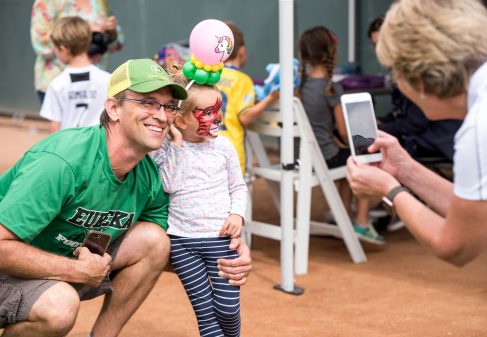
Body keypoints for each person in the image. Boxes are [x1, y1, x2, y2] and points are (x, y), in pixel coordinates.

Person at [0, 58, 251, 337]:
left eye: (167, 106)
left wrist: (226, 254)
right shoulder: (62, 162)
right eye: (147, 102)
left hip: (65, 266)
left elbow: (168, 251)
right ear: (114, 108)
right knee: (59, 307)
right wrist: (75, 271)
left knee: (155, 241)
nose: (160, 115)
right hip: (9, 271)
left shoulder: (148, 175)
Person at [346, 0, 487, 266]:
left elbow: (456, 247)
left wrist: (391, 190)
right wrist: (406, 169)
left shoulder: (482, 126)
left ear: (419, 81)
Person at [152, 63, 247, 337]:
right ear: (180, 120)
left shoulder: (224, 146)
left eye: (217, 109)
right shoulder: (168, 149)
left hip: (221, 239)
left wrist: (237, 215)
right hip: (183, 244)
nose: (215, 118)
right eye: (206, 113)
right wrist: (177, 144)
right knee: (206, 315)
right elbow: (169, 185)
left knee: (227, 309)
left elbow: (238, 187)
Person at [298, 26, 384, 244]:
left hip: (302, 159)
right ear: (331, 53)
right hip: (325, 157)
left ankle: (342, 216)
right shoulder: (330, 88)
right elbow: (346, 133)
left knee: (346, 156)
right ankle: (362, 222)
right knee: (363, 156)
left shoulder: (299, 87)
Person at [367, 15, 462, 163]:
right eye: (376, 45)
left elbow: (416, 122)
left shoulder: (417, 69)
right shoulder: (398, 70)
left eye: (383, 43)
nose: (380, 51)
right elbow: (407, 114)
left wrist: (377, 130)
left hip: (440, 140)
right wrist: (381, 123)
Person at [216, 21, 279, 175]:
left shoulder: (212, 75)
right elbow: (245, 117)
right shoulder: (242, 79)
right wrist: (269, 99)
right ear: (242, 50)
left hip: (210, 146)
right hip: (232, 150)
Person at [31, 0, 124, 103]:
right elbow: (40, 44)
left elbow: (116, 44)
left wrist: (111, 33)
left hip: (94, 83)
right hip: (59, 81)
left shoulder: (99, 2)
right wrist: (84, 29)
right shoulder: (48, 2)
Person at [39, 16, 110, 133]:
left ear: (63, 48)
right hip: (99, 147)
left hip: (69, 148)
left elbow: (55, 128)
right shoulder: (107, 80)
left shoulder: (57, 84)